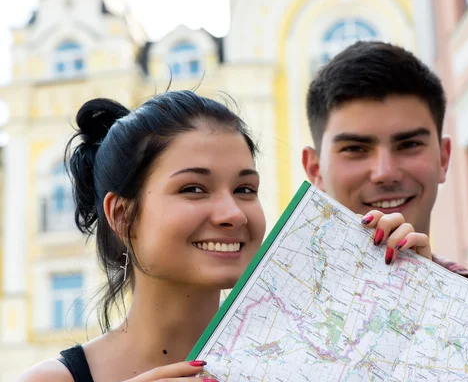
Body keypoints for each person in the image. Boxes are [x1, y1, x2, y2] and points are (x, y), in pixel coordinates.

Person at [19, 90, 433, 382]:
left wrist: (427, 318)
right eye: (193, 189)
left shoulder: (316, 361)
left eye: (245, 189)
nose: (233, 213)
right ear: (122, 214)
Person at [302, 41, 468, 283]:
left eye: (409, 145)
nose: (385, 172)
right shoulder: (268, 303)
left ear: (444, 159)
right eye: (355, 148)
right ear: (315, 169)